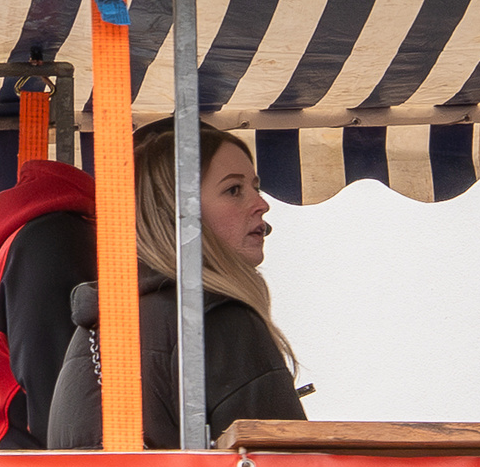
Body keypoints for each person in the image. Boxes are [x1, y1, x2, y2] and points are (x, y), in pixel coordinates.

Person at [44, 122, 306, 448]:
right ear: (175, 213)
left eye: (255, 187)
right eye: (234, 190)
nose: (261, 204)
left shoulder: (96, 327)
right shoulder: (218, 320)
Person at [0, 154, 97, 449]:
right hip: (25, 463)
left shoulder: (31, 239)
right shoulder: (52, 241)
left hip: (0, 457)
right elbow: (59, 405)